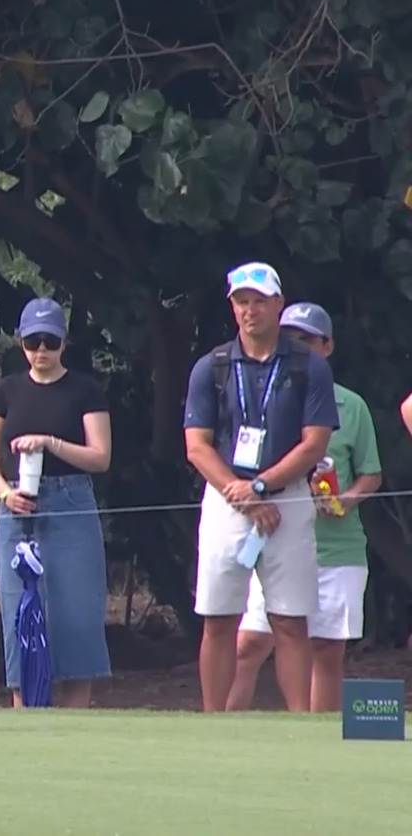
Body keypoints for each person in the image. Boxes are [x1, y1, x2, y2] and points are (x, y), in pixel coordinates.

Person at [183, 262, 337, 713]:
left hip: (285, 497)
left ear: (278, 304)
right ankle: (213, 723)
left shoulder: (308, 366)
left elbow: (314, 443)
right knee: (218, 618)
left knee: (290, 620)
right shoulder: (210, 366)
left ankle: (299, 726)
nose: (250, 310)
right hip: (227, 497)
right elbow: (197, 446)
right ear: (232, 308)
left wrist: (264, 487)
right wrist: (244, 495)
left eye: (259, 301)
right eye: (241, 302)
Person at [227, 303, 381, 712]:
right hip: (272, 538)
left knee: (326, 653)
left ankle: (315, 746)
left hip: (336, 547)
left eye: (308, 340)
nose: (299, 347)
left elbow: (371, 473)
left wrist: (344, 502)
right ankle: (221, 736)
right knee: (249, 644)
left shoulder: (352, 406)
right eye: (292, 338)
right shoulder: (265, 396)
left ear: (326, 346)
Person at [0, 298, 113, 708]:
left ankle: (74, 725)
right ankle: (25, 719)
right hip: (18, 506)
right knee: (21, 613)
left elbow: (100, 456)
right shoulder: (9, 390)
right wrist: (3, 492)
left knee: (76, 615)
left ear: (63, 343)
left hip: (70, 502)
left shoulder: (85, 389)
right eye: (33, 341)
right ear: (21, 343)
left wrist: (51, 443)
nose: (41, 351)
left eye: (50, 342)